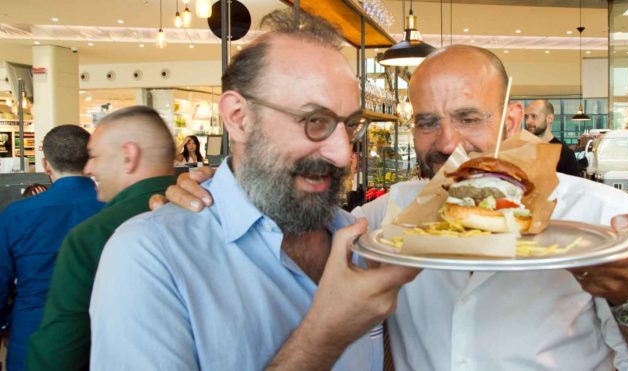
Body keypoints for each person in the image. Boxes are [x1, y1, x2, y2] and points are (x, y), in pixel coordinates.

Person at [160, 44, 628, 370]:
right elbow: (281, 216)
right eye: (427, 122)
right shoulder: (384, 218)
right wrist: (209, 188)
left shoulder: (599, 219)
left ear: (511, 121)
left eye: (469, 118)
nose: (446, 143)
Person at [89, 9, 419, 371]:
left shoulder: (359, 239)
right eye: (315, 122)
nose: (343, 154)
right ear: (238, 118)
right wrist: (324, 334)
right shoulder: (150, 256)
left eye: (350, 124)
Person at [26, 106, 177, 371]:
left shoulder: (93, 236)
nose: (88, 168)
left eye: (94, 156)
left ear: (129, 156)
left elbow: (60, 349)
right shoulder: (210, 214)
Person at [0, 125, 104, 371]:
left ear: (46, 164)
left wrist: (5, 324)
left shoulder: (17, 215)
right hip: (101, 336)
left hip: (33, 333)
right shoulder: (113, 209)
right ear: (90, 160)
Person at [524, 99, 581, 176]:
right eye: (526, 117)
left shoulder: (565, 154)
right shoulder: (523, 149)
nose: (528, 121)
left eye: (534, 116)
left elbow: (574, 186)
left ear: (550, 118)